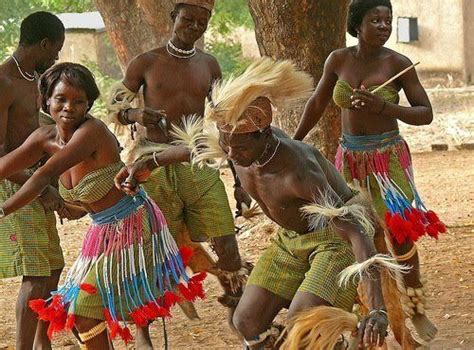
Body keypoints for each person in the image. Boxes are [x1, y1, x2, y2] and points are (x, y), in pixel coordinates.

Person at [115, 58, 408, 350]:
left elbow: (356, 232)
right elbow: (193, 149)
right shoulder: (235, 145)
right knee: (246, 321)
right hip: (291, 240)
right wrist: (147, 163)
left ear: (265, 135)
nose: (231, 154)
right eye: (226, 144)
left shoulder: (299, 171)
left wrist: (377, 310)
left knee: (301, 326)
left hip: (334, 241)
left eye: (240, 147)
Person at [0, 62, 205, 350]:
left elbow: (41, 176)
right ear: (46, 100)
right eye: (61, 99)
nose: (69, 107)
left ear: (89, 105)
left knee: (83, 313)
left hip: (133, 228)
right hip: (102, 233)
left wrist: (2, 210)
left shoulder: (92, 132)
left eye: (79, 101)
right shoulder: (44, 138)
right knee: (75, 315)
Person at [293, 0, 443, 344]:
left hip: (387, 160)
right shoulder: (338, 59)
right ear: (357, 25)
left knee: (400, 233)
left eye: (388, 20)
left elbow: (425, 113)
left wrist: (384, 106)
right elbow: (317, 102)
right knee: (350, 231)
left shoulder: (399, 64)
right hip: (349, 159)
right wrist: (296, 142)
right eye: (376, 20)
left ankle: (416, 306)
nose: (384, 26)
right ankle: (364, 307)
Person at [107, 0, 250, 346]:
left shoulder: (209, 65)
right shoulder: (146, 62)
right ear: (174, 18)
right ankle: (144, 328)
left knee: (226, 239)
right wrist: (137, 115)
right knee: (153, 244)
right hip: (151, 161)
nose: (194, 27)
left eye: (201, 23)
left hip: (197, 158)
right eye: (188, 20)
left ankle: (236, 308)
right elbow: (116, 106)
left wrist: (240, 181)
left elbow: (224, 123)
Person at [0, 11, 65, 350]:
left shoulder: (40, 80)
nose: (56, 57)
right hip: (16, 183)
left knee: (53, 269)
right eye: (55, 49)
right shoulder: (4, 81)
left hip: (39, 183)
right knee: (37, 273)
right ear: (43, 43)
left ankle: (44, 344)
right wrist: (39, 188)